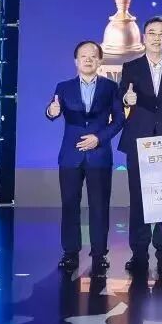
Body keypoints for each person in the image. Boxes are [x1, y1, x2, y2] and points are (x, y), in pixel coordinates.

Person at [118, 16, 162, 275]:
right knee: (139, 199)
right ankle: (138, 252)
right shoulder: (131, 67)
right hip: (139, 141)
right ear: (143, 37)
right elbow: (121, 98)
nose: (157, 38)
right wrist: (126, 99)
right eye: (152, 33)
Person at [46, 40, 124, 275]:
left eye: (93, 56)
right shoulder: (63, 87)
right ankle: (70, 252)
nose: (88, 60)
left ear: (99, 61)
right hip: (70, 156)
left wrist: (99, 138)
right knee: (70, 204)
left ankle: (99, 254)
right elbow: (52, 110)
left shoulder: (110, 87)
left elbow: (119, 120)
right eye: (83, 56)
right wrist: (52, 111)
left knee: (99, 206)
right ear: (76, 61)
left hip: (99, 155)